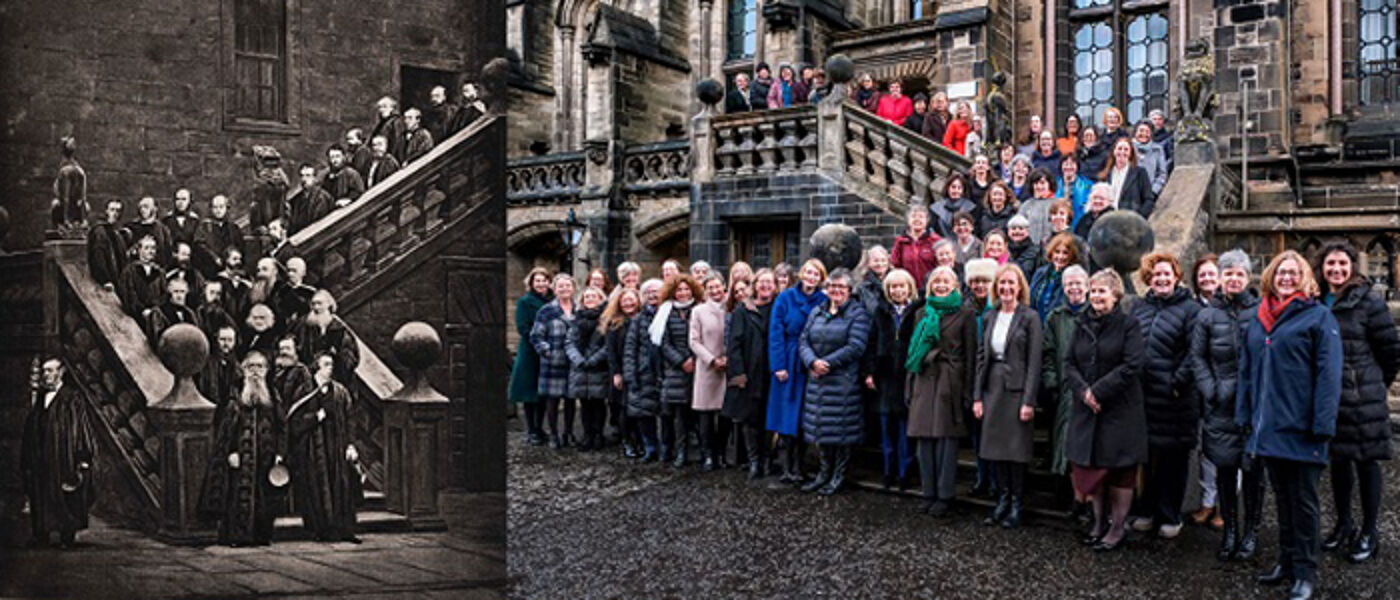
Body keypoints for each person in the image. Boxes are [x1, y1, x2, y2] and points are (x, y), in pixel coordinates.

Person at [1239, 251, 1341, 600]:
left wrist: (1322, 425)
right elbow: (1247, 372)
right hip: (1267, 428)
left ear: (1304, 278)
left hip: (1302, 429)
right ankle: (1285, 561)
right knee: (1282, 501)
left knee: (1305, 503)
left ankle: (1305, 571)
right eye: (1281, 272)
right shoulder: (1260, 318)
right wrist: (1245, 417)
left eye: (1293, 273)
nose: (1286, 278)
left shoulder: (1318, 317)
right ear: (1270, 275)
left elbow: (1329, 377)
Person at [1316, 241, 1399, 564]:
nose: (1336, 270)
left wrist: (1373, 384)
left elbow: (1390, 351)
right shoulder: (1317, 299)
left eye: (1342, 264)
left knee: (1367, 464)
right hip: (1330, 399)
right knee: (1338, 465)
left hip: (1362, 397)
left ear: (1353, 267)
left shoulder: (1368, 302)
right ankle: (1344, 525)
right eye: (1330, 264)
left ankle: (1369, 531)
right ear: (1322, 268)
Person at [1189, 249, 1264, 561]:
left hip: (1254, 406)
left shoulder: (1261, 311)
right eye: (1228, 273)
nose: (1233, 278)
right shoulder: (1207, 314)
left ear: (1247, 278)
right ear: (1220, 278)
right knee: (1225, 470)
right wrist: (1211, 389)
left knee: (1254, 475)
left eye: (1239, 273)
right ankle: (1230, 530)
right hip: (1220, 406)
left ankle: (1251, 532)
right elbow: (1198, 357)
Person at [1065, 268, 1146, 552]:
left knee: (1120, 472)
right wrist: (1084, 392)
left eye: (1102, 291)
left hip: (1119, 409)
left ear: (1115, 295)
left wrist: (1098, 391)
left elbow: (1132, 364)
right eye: (1094, 290)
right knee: (1093, 466)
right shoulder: (1082, 322)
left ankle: (1117, 527)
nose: (1096, 296)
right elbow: (1069, 363)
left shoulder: (1128, 325)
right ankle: (1098, 522)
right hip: (1087, 408)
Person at [1129, 252, 1202, 539]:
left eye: (1166, 274)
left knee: (1173, 461)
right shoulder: (1139, 307)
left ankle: (1170, 514)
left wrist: (1177, 382)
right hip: (1144, 398)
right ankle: (1146, 509)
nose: (1161, 279)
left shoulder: (1190, 309)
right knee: (1146, 460)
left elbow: (1195, 351)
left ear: (1176, 277)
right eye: (1156, 275)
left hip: (1175, 399)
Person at [974, 263, 1042, 528]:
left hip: (1017, 390)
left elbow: (1034, 362)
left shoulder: (1030, 317)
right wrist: (977, 396)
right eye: (1002, 283)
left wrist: (1029, 400)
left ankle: (1016, 502)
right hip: (993, 387)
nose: (1006, 288)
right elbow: (982, 357)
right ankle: (1001, 500)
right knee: (995, 449)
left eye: (1011, 283)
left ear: (1019, 287)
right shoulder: (990, 316)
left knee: (1015, 451)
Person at [904, 266, 976, 515]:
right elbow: (914, 350)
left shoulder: (965, 313)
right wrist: (909, 385)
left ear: (955, 285)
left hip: (950, 379)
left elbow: (970, 355)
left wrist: (968, 391)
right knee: (924, 439)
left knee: (947, 440)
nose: (941, 285)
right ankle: (929, 491)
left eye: (946, 281)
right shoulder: (922, 312)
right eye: (936, 281)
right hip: (923, 378)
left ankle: (945, 495)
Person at [199, 351, 284, 547]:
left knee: (264, 497)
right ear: (244, 370)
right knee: (238, 496)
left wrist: (280, 453)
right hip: (242, 456)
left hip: (266, 456)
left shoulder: (272, 394)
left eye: (260, 367)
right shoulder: (236, 394)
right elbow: (227, 428)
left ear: (266, 370)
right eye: (250, 367)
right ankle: (238, 537)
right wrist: (231, 451)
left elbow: (282, 426)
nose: (255, 372)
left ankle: (262, 536)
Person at [797, 269, 870, 496]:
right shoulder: (817, 312)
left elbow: (856, 346)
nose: (836, 291)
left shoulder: (858, 314)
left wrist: (826, 363)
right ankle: (823, 473)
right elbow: (803, 340)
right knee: (821, 431)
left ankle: (838, 476)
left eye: (841, 287)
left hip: (842, 381)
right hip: (818, 381)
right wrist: (811, 361)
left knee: (841, 432)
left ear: (849, 290)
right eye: (832, 287)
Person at [287, 354, 363, 543]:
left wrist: (351, 444)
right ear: (317, 367)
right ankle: (321, 530)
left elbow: (350, 419)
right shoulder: (305, 391)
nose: (330, 368)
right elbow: (294, 423)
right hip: (313, 450)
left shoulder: (340, 392)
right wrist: (314, 418)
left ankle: (345, 530)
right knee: (317, 489)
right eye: (326, 364)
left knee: (341, 488)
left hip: (336, 448)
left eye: (331, 364)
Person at [21, 358, 95, 549]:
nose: (46, 375)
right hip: (40, 456)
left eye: (50, 371)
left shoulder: (72, 397)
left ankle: (66, 537)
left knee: (65, 495)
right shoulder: (40, 398)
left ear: (61, 373)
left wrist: (82, 457)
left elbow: (81, 428)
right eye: (44, 371)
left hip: (62, 456)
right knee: (40, 494)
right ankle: (41, 535)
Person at [767, 259, 828, 483]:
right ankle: (786, 467)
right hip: (789, 360)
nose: (811, 277)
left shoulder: (823, 300)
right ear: (802, 274)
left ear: (820, 279)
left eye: (816, 274)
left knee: (805, 415)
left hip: (809, 360)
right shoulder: (785, 298)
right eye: (808, 273)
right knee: (785, 414)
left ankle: (800, 466)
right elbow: (775, 333)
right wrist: (778, 366)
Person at [862, 268, 917, 490]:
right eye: (893, 286)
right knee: (887, 429)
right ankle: (888, 471)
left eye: (902, 286)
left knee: (905, 430)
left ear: (909, 288)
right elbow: (871, 343)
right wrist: (869, 372)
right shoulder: (880, 311)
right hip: (884, 377)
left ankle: (904, 473)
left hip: (905, 376)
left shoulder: (916, 312)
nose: (897, 290)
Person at [1040, 265, 1090, 479]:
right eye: (1070, 284)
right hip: (1062, 386)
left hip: (1088, 387)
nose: (1074, 288)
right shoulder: (1055, 317)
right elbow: (1048, 352)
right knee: (1061, 436)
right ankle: (1062, 481)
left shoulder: (1094, 314)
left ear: (1087, 287)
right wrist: (1051, 382)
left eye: (1079, 283)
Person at [723, 275, 771, 478]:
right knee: (749, 419)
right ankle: (753, 461)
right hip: (749, 373)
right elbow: (734, 344)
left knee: (767, 420)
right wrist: (738, 373)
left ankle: (766, 459)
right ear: (755, 286)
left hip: (770, 372)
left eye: (770, 283)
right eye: (761, 282)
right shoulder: (743, 310)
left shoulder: (778, 308)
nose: (765, 286)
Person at [654, 274, 701, 467]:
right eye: (679, 290)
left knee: (697, 413)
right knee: (677, 414)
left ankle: (702, 450)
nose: (683, 293)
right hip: (674, 369)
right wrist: (681, 361)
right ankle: (680, 452)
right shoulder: (666, 311)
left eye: (686, 289)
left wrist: (695, 359)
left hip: (698, 365)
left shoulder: (698, 309)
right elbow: (662, 342)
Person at [962, 258, 998, 495]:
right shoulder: (965, 309)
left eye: (984, 280)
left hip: (994, 376)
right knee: (977, 433)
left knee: (992, 432)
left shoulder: (997, 308)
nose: (979, 285)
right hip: (970, 374)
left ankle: (995, 480)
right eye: (975, 281)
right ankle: (981, 476)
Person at [531, 274, 577, 449]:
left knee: (571, 399)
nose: (564, 289)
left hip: (573, 362)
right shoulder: (546, 310)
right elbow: (536, 335)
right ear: (554, 289)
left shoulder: (578, 309)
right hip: (553, 362)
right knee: (552, 400)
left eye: (568, 286)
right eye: (560, 286)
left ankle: (569, 433)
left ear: (573, 288)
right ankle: (554, 435)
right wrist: (547, 351)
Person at [690, 273, 730, 469]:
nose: (715, 291)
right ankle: (707, 454)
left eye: (718, 286)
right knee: (705, 415)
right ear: (705, 291)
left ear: (724, 287)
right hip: (707, 368)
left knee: (725, 415)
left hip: (727, 367)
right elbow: (694, 340)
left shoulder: (730, 308)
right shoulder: (698, 311)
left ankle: (721, 453)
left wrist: (728, 358)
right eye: (710, 288)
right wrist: (711, 359)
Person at [625, 279, 666, 461]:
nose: (652, 295)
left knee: (666, 414)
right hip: (643, 372)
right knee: (644, 414)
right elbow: (630, 348)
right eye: (648, 292)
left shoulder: (669, 314)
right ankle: (650, 446)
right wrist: (630, 374)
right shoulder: (638, 319)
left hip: (666, 371)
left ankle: (666, 447)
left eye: (656, 291)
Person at [512, 267, 553, 445]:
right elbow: (523, 327)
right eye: (537, 281)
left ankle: (540, 427)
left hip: (549, 351)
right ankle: (532, 430)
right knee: (530, 392)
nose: (541, 284)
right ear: (531, 283)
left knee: (542, 392)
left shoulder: (553, 301)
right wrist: (539, 341)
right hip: (530, 352)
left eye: (544, 280)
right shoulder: (524, 302)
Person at [567, 286, 610, 451]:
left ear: (600, 299)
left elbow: (608, 345)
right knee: (584, 405)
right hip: (580, 368)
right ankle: (587, 435)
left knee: (598, 404)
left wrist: (593, 360)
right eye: (587, 297)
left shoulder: (606, 319)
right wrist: (578, 359)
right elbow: (569, 342)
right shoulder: (576, 319)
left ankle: (598, 434)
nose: (590, 299)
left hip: (598, 368)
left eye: (594, 296)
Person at [604, 287, 643, 457]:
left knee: (640, 409)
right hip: (622, 371)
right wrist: (616, 373)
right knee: (625, 408)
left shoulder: (644, 319)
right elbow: (611, 352)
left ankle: (641, 440)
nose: (628, 303)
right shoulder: (614, 323)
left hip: (641, 371)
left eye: (631, 299)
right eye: (624, 300)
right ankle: (628, 442)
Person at [291, 290, 359, 386]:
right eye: (313, 304)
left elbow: (350, 356)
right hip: (306, 376)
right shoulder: (302, 325)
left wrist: (332, 361)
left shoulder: (340, 329)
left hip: (334, 376)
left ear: (328, 305)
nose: (316, 307)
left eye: (319, 303)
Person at [1029, 234, 1081, 320]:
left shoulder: (1074, 277)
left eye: (1065, 253)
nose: (1060, 256)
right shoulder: (1040, 273)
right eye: (1057, 252)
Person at [1100, 138, 1155, 217]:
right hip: (1108, 219)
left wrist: (1139, 217)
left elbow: (1149, 200)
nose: (1122, 152)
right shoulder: (1105, 174)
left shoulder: (1140, 173)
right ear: (1114, 151)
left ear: (1130, 153)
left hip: (1130, 220)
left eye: (1126, 149)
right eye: (1119, 149)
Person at [117, 236, 167, 320]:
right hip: (134, 317)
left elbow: (164, 295)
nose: (151, 251)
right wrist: (141, 310)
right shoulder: (129, 271)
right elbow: (128, 294)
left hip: (155, 317)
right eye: (146, 248)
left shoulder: (159, 272)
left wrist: (154, 309)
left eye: (153, 248)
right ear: (139, 250)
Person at [890, 207, 939, 291]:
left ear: (927, 220)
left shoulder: (935, 240)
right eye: (913, 216)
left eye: (921, 217)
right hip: (908, 290)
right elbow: (895, 265)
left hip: (931, 289)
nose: (917, 219)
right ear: (908, 220)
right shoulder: (900, 242)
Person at [195, 195, 243, 279]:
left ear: (226, 208)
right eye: (215, 207)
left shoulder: (233, 228)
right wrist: (214, 257)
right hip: (210, 268)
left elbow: (240, 246)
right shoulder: (204, 227)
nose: (218, 210)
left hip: (231, 269)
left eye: (221, 207)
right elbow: (199, 245)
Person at [200, 325, 241, 417]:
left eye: (230, 340)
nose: (226, 344)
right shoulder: (207, 364)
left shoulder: (236, 366)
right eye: (223, 339)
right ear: (216, 340)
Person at [145, 277, 200, 344]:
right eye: (176, 291)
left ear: (187, 292)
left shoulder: (190, 313)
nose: (179, 296)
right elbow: (157, 339)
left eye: (182, 292)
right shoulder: (159, 312)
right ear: (170, 292)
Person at [87, 200, 127, 289]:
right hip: (106, 282)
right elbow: (98, 255)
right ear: (106, 211)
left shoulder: (116, 232)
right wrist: (105, 280)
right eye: (112, 210)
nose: (115, 213)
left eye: (118, 211)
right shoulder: (100, 231)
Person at [50, 136, 87, 228]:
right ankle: (65, 219)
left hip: (75, 198)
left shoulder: (75, 165)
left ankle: (80, 220)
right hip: (64, 196)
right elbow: (62, 192)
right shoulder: (64, 166)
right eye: (70, 143)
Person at [127, 196, 174, 267]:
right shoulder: (132, 227)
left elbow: (167, 253)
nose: (142, 210)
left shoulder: (163, 230)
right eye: (140, 207)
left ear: (155, 209)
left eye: (146, 207)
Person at [288, 163, 333, 235]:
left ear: (314, 178)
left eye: (308, 176)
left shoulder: (322, 197)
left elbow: (319, 223)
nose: (304, 179)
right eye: (302, 176)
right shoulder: (297, 200)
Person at [930, 173, 978, 239]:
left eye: (959, 188)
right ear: (948, 188)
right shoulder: (936, 208)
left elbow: (974, 233)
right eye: (953, 187)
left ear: (963, 190)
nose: (956, 190)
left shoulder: (971, 208)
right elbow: (933, 231)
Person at [1019, 168, 1058, 244]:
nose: (1039, 186)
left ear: (1049, 184)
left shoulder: (1057, 204)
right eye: (1036, 183)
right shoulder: (1026, 206)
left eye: (1042, 183)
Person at [1132, 121, 1169, 197]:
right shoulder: (1128, 147)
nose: (1144, 134)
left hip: (1149, 193)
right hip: (1130, 193)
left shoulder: (1157, 149)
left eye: (1147, 131)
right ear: (1135, 132)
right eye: (1141, 130)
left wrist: (1153, 191)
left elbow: (1162, 174)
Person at [1058, 154, 1094, 226]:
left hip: (1081, 224)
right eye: (1066, 164)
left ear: (1077, 166)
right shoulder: (1054, 184)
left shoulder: (1088, 185)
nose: (1068, 167)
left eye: (1072, 164)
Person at [856, 245, 892, 315]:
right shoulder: (863, 287)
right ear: (868, 263)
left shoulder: (895, 282)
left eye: (883, 260)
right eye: (876, 261)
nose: (880, 264)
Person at [370, 96, 407, 163]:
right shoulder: (382, 123)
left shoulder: (396, 122)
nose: (381, 110)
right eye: (380, 107)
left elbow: (397, 142)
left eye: (384, 106)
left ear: (392, 108)